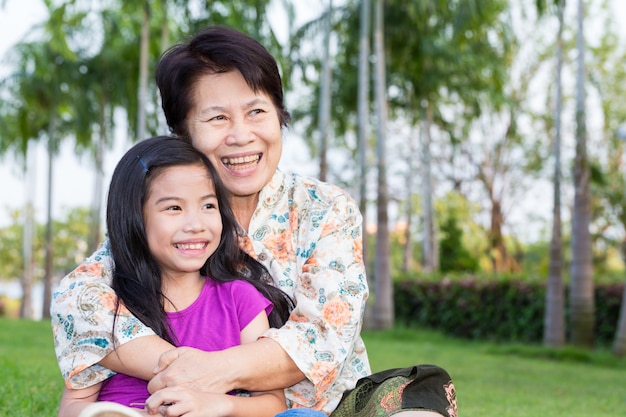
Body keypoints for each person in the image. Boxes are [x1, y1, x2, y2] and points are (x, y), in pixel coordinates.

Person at [51, 25, 457, 417]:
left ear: (279, 116)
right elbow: (79, 300)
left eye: (256, 111)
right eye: (217, 118)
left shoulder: (326, 207)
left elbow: (323, 339)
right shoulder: (163, 222)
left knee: (420, 395)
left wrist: (210, 371)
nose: (241, 135)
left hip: (329, 410)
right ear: (181, 134)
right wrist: (177, 368)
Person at [55, 136, 293, 417]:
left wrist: (220, 405)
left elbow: (272, 404)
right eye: (174, 208)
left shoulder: (240, 299)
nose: (195, 225)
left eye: (208, 206)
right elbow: (73, 405)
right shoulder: (109, 307)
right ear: (134, 218)